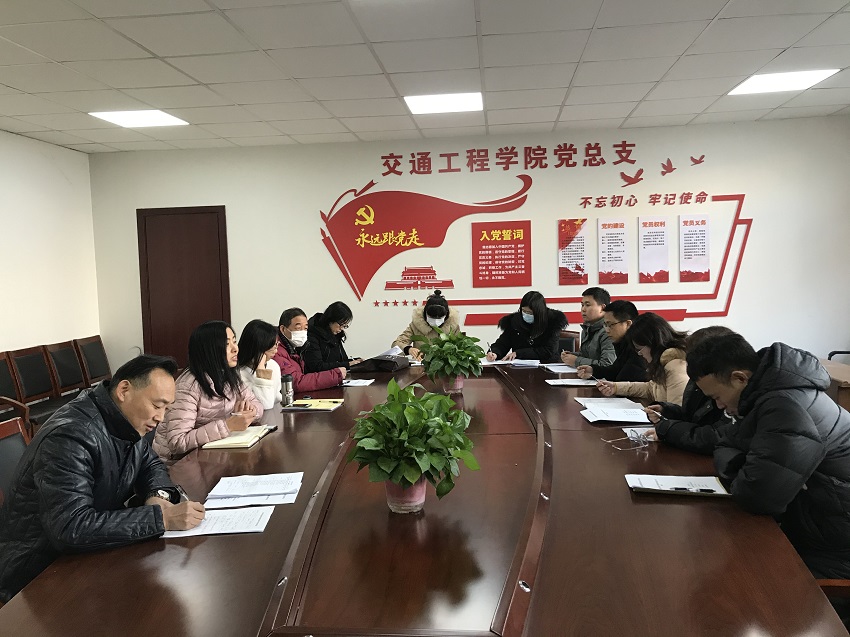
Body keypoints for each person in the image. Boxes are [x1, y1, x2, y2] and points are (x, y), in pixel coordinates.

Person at [0, 355, 205, 603]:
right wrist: (161, 518)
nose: (161, 417)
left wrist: (157, 496)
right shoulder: (70, 436)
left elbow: (150, 464)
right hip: (38, 570)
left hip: (87, 551)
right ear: (124, 390)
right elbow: (71, 527)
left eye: (167, 409)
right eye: (156, 405)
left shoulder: (126, 420)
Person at [686, 332, 850, 585]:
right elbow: (725, 443)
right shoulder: (768, 395)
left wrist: (743, 469)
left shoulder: (784, 405)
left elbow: (759, 497)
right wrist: (746, 468)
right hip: (815, 522)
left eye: (717, 397)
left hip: (832, 545)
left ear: (740, 378)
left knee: (741, 582)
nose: (718, 406)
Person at [153, 321, 263, 459]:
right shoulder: (189, 386)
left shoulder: (229, 375)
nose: (235, 349)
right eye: (227, 344)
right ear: (209, 350)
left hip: (213, 454)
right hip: (178, 462)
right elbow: (177, 442)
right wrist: (228, 426)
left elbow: (258, 405)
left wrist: (251, 410)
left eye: (234, 342)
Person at [644, 326, 734, 453]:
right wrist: (666, 411)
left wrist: (669, 430)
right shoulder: (696, 380)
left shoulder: (729, 389)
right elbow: (691, 417)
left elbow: (716, 437)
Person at [597, 312, 688, 405]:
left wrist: (659, 411)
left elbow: (676, 408)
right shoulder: (663, 362)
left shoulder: (675, 365)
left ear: (652, 342)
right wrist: (616, 387)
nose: (639, 353)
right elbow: (651, 389)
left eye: (640, 349)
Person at [274, 307, 346, 392]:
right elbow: (296, 382)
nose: (303, 332)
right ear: (283, 329)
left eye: (305, 328)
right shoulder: (275, 351)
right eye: (298, 328)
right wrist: (335, 375)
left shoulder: (294, 347)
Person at [486, 290, 567, 362]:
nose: (526, 315)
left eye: (530, 313)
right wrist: (495, 353)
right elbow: (503, 343)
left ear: (539, 313)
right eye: (524, 311)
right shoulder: (515, 322)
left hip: (547, 366)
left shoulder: (552, 322)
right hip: (520, 367)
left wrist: (519, 353)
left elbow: (548, 351)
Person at [576, 300, 646, 382]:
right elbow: (616, 370)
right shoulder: (623, 344)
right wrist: (593, 371)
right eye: (605, 325)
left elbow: (624, 379)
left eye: (610, 325)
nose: (607, 330)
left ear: (628, 324)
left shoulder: (639, 348)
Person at [392, 290, 461, 361]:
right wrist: (408, 349)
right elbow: (396, 345)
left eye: (439, 318)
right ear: (425, 313)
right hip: (421, 364)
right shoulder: (416, 325)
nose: (436, 321)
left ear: (446, 315)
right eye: (432, 317)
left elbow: (460, 349)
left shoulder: (453, 327)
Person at [560, 287, 616, 368]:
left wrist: (576, 361)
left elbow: (607, 365)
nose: (583, 309)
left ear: (602, 308)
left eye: (587, 305)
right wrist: (571, 356)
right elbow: (587, 356)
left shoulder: (608, 331)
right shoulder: (587, 328)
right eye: (582, 305)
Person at [304, 301, 363, 372]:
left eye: (345, 326)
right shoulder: (312, 335)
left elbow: (339, 361)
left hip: (335, 376)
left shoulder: (335, 335)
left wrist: (355, 362)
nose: (342, 329)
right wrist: (347, 364)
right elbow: (317, 366)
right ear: (330, 320)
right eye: (341, 325)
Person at [237, 319, 282, 410]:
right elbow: (265, 404)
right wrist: (261, 370)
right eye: (273, 346)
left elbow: (276, 398)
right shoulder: (237, 373)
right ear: (259, 347)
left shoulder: (273, 365)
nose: (276, 351)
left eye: (277, 344)